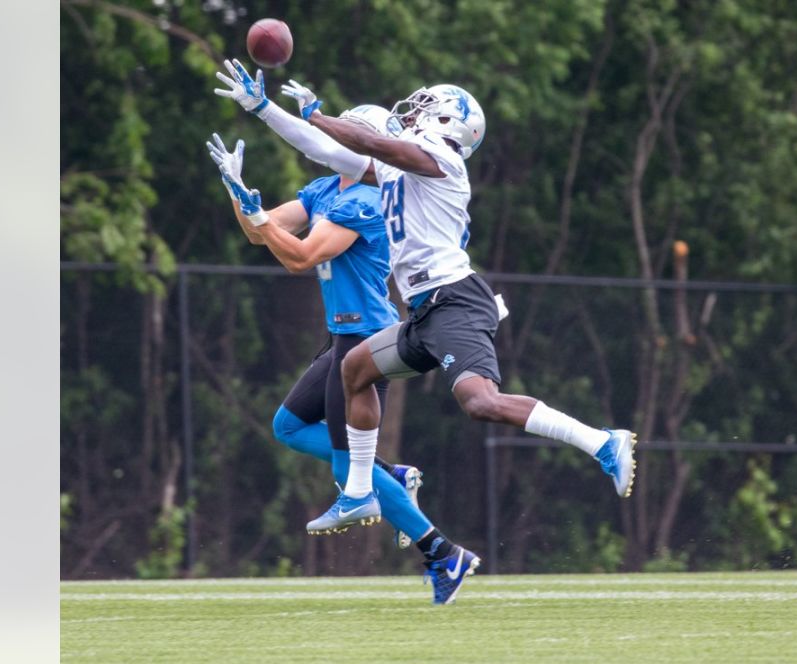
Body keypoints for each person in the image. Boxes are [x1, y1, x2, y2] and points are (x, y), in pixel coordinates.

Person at [213, 60, 636, 605]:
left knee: (480, 403)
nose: (409, 112)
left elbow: (375, 146)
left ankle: (602, 442)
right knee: (355, 369)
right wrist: (263, 109)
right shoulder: (394, 169)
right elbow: (327, 152)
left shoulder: (440, 159)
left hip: (456, 301)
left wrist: (320, 110)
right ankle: (362, 490)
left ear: (446, 123)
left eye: (423, 107)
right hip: (422, 311)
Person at [204, 105, 429, 554]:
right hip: (341, 336)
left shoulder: (367, 199)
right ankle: (392, 475)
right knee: (288, 427)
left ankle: (441, 552)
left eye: (348, 130)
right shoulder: (324, 189)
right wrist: (236, 191)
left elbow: (300, 257)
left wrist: (262, 219)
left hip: (368, 337)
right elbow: (259, 234)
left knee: (349, 469)